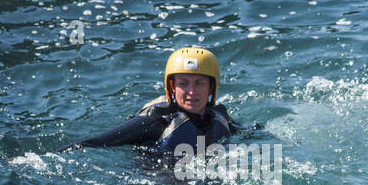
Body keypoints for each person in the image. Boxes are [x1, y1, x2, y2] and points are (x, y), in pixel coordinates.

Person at [65, 47, 241, 155]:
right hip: (157, 180)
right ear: (172, 87)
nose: (191, 92)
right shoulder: (154, 121)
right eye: (183, 84)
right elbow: (95, 143)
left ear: (212, 87)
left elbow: (248, 134)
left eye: (199, 83)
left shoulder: (220, 116)